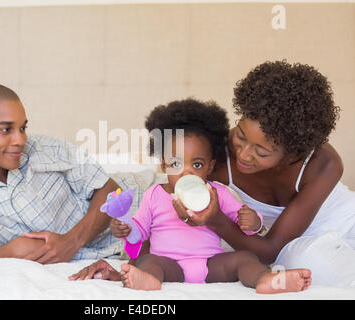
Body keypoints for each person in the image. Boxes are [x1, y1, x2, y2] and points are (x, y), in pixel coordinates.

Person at [71, 60, 355, 287]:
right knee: (310, 264)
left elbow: (267, 249)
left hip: (342, 228)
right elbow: (158, 207)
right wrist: (125, 269)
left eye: (262, 152)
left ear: (293, 151)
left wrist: (217, 220)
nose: (243, 154)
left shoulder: (323, 164)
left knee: (309, 263)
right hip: (287, 246)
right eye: (241, 136)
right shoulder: (213, 155)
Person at [70, 98, 312, 293]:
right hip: (169, 264)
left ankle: (265, 280)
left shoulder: (216, 192)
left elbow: (244, 224)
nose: (186, 171)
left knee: (245, 258)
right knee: (148, 262)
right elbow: (140, 230)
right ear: (164, 166)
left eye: (196, 165)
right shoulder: (155, 194)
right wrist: (124, 228)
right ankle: (149, 281)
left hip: (210, 264)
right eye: (176, 163)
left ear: (209, 166)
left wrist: (254, 221)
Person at [0, 83, 147, 265]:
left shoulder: (45, 148)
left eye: (22, 128)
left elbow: (109, 187)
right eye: (6, 130)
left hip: (143, 200)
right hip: (130, 250)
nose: (20, 140)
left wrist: (72, 241)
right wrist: (11, 250)